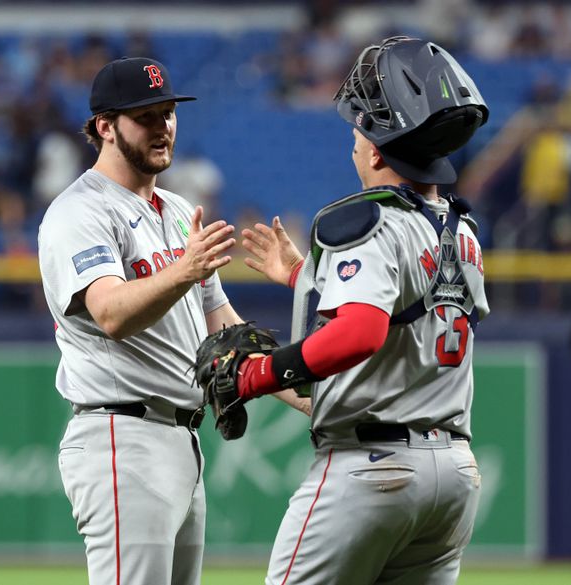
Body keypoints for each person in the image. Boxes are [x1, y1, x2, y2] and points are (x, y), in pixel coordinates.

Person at [37, 56, 308, 585]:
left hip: (183, 439)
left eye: (168, 113)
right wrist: (184, 270)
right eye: (146, 116)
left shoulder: (180, 211)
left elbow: (224, 334)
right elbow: (110, 313)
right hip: (120, 435)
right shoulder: (80, 212)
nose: (163, 126)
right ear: (105, 127)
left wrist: (310, 398)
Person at [236, 36, 490, 584]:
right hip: (454, 471)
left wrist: (257, 374)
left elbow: (361, 334)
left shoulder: (361, 221)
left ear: (376, 151)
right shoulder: (461, 229)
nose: (354, 144)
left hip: (373, 468)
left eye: (358, 135)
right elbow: (412, 317)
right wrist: (307, 278)